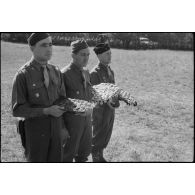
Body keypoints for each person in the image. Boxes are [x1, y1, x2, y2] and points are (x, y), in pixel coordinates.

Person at [11, 33, 68, 162]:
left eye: (50, 44)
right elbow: (17, 110)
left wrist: (63, 127)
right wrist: (46, 111)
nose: (49, 49)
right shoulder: (23, 75)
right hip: (36, 135)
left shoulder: (56, 71)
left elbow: (63, 98)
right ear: (32, 48)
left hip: (56, 131)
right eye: (43, 45)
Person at [61, 39, 92, 162]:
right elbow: (59, 102)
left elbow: (89, 95)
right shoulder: (63, 74)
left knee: (83, 155)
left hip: (87, 122)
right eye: (83, 55)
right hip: (71, 124)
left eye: (88, 54)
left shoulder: (86, 72)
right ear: (73, 55)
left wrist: (91, 107)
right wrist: (62, 128)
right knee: (67, 157)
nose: (86, 58)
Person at [90, 43, 120, 162]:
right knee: (98, 134)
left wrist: (116, 100)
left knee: (106, 133)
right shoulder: (95, 73)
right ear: (99, 56)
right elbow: (94, 94)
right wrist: (107, 100)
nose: (110, 56)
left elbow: (114, 88)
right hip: (100, 111)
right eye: (107, 54)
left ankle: (100, 156)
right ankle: (96, 159)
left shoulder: (110, 71)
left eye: (110, 53)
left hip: (110, 109)